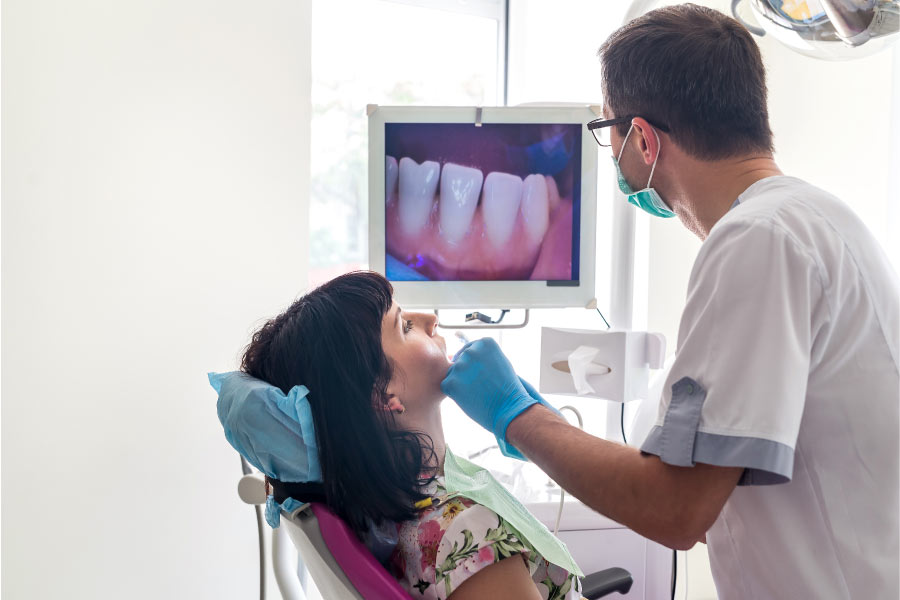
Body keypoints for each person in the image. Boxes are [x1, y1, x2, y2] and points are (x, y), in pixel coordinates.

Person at [441, 4, 900, 599]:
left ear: (643, 140)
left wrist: (516, 417)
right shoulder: (817, 218)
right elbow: (715, 487)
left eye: (607, 133)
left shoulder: (757, 240)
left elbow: (679, 512)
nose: (612, 154)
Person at [213, 271, 583, 600]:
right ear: (382, 395)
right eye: (404, 326)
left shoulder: (389, 518)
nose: (430, 319)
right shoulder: (464, 531)